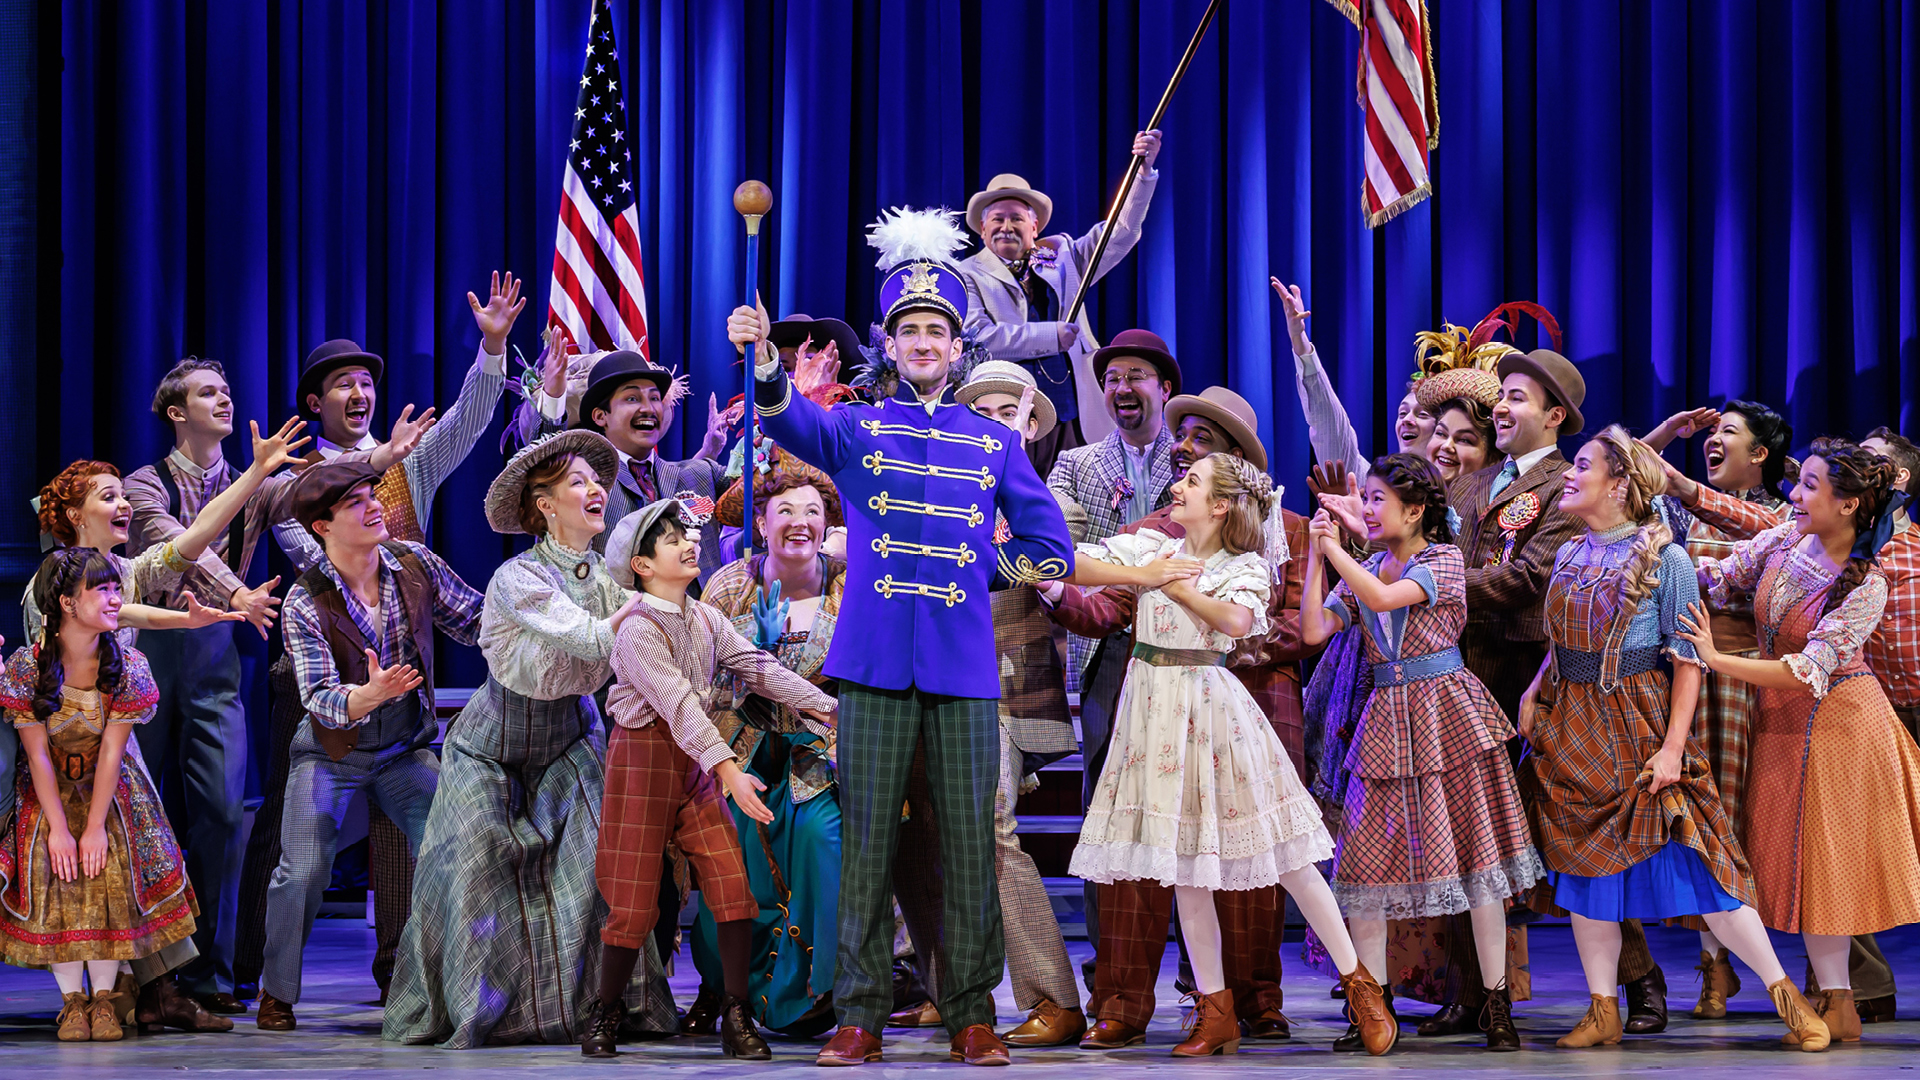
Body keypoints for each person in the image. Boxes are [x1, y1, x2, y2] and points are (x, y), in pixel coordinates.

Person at [730, 205, 1075, 1068]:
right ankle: (860, 1014)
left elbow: (1051, 547)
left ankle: (971, 1014)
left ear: (957, 348)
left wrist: (978, 567)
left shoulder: (994, 442)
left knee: (969, 848)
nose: (924, 343)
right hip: (874, 667)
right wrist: (765, 361)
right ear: (891, 344)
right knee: (867, 844)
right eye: (910, 330)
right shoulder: (859, 430)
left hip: (964, 673)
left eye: (937, 331)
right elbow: (788, 422)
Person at [237, 271, 543, 1004]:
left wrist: (492, 349)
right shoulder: (293, 479)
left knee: (416, 844)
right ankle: (258, 976)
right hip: (320, 686)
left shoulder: (406, 464)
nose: (359, 393)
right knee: (293, 842)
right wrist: (360, 693)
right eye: (342, 384)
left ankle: (403, 973)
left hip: (402, 687)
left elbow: (466, 424)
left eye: (366, 382)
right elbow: (311, 560)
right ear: (315, 402)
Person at [1066, 453, 1397, 1057]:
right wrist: (1144, 572)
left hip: (1211, 712)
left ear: (1220, 505)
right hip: (1152, 715)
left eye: (1191, 481)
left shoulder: (1243, 564)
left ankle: (1362, 986)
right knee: (1184, 867)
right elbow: (1077, 563)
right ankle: (1215, 1012)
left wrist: (1177, 586)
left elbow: (1239, 620)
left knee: (1289, 858)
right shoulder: (1153, 546)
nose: (1177, 486)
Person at [1520, 426, 1828, 1050]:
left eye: (1582, 465)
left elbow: (1688, 662)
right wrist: (1535, 687)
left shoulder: (1669, 560)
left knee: (1702, 867)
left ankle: (1785, 997)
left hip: (1639, 723)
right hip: (1574, 723)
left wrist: (1670, 749)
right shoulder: (1571, 551)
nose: (1569, 475)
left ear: (1619, 483)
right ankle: (1603, 1010)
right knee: (1586, 876)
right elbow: (1561, 640)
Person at [1045, 386, 1313, 1044]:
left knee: (1249, 860)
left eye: (1201, 440)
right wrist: (1050, 584)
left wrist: (1216, 644)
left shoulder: (1289, 530)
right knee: (1143, 854)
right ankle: (1122, 1002)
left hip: (1251, 704)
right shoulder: (1150, 536)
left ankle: (1251, 997)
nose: (1183, 448)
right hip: (1162, 709)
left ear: (1232, 467)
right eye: (1183, 435)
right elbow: (1107, 603)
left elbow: (1294, 625)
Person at [383, 430, 664, 1048]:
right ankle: (474, 1009)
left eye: (597, 481)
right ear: (545, 505)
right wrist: (652, 603)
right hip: (491, 749)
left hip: (568, 737)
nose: (596, 489)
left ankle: (604, 1006)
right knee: (472, 867)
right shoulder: (518, 577)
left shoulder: (605, 576)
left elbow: (645, 631)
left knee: (598, 864)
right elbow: (589, 636)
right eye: (577, 482)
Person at [1679, 437, 1920, 1046]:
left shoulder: (1868, 584)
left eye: (1810, 486)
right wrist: (1660, 573)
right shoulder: (1788, 536)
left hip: (1841, 728)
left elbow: (1807, 669)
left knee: (1828, 865)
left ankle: (1839, 1002)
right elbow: (1722, 577)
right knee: (1811, 869)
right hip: (1785, 724)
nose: (1794, 494)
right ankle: (1838, 1002)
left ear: (1849, 504)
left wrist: (1716, 659)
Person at [1300, 453, 1545, 1052]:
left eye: (1378, 499)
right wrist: (1314, 554)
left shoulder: (1442, 559)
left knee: (1479, 865)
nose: (1368, 509)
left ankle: (1495, 1003)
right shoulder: (1367, 566)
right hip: (1386, 720)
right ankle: (1372, 1006)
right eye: (1368, 498)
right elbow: (1313, 630)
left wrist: (1336, 550)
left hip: (1446, 714)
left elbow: (1386, 600)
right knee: (1364, 871)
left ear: (1414, 512)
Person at [580, 500, 838, 1061]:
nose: (689, 543)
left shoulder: (704, 617)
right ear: (643, 565)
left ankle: (736, 1011)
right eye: (672, 539)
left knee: (732, 887)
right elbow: (679, 706)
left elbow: (759, 667)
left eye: (688, 535)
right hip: (644, 759)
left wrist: (826, 707)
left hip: (694, 763)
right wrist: (729, 771)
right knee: (633, 903)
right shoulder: (637, 628)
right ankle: (606, 1009)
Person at [122, 360, 339, 1018]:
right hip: (147, 649)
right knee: (136, 814)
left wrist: (380, 457)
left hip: (216, 655)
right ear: (176, 412)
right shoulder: (143, 484)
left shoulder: (259, 485)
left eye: (225, 390)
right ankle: (135, 974)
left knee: (220, 813)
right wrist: (239, 592)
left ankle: (204, 972)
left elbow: (317, 490)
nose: (224, 399)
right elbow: (181, 547)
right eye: (207, 393)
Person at [887, 361, 1088, 1048]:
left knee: (992, 835)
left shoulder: (1046, 503)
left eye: (1009, 412)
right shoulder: (937, 487)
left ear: (1030, 425)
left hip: (1000, 691)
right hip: (925, 683)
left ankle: (1053, 997)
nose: (995, 424)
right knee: (920, 837)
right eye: (984, 413)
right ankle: (949, 991)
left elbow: (1047, 561)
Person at [255, 459, 486, 1032]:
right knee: (302, 871)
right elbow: (318, 697)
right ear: (322, 527)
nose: (374, 506)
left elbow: (478, 621)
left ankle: (440, 984)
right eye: (355, 502)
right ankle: (277, 991)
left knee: (456, 845)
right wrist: (368, 695)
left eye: (371, 494)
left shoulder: (414, 564)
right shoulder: (305, 600)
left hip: (404, 748)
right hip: (332, 751)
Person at [0, 548, 203, 1041]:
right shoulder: (28, 667)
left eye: (117, 589)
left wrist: (93, 827)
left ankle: (106, 999)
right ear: (67, 603)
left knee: (107, 867)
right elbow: (37, 755)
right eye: (103, 590)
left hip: (109, 791)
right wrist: (59, 829)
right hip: (48, 790)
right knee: (56, 870)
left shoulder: (127, 665)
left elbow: (113, 752)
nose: (116, 599)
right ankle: (73, 1002)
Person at [682, 462, 849, 1039]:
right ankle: (725, 987)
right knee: (731, 846)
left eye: (812, 512)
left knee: (822, 840)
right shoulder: (729, 585)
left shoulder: (849, 584)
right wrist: (756, 651)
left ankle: (821, 988)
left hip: (821, 749)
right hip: (740, 745)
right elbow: (699, 681)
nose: (799, 522)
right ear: (761, 522)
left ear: (826, 524)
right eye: (785, 511)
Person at [1639, 400, 1793, 1018]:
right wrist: (1664, 434)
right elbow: (1627, 476)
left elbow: (1765, 528)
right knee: (1706, 817)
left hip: (1751, 678)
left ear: (1760, 454)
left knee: (1755, 817)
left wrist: (1683, 486)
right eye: (1714, 431)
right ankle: (1713, 966)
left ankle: (1802, 969)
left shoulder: (1786, 515)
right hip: (1693, 677)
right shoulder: (1681, 513)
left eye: (1731, 432)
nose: (1714, 439)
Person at [958, 130, 1163, 474]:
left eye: (1017, 218)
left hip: (1073, 413)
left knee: (1073, 495)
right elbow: (981, 338)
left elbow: (1121, 232)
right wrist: (1052, 335)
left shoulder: (1064, 255)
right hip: (1010, 414)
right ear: (982, 229)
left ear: (1034, 226)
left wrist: (1142, 175)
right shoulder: (966, 274)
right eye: (997, 219)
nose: (1007, 226)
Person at [1045, 329, 1180, 695]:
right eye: (1112, 379)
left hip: (1180, 631)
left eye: (1136, 377)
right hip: (1106, 638)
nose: (1122, 388)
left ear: (1165, 389)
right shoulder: (1074, 464)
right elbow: (1058, 531)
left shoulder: (1191, 462)